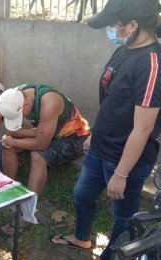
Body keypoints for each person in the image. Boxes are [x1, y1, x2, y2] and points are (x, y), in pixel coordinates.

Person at [49, 0, 161, 259]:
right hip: (100, 146)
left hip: (125, 159)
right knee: (82, 194)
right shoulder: (126, 49)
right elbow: (111, 99)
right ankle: (82, 238)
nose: (111, 28)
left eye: (115, 23)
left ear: (134, 24)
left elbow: (143, 129)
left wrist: (121, 174)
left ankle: (114, 254)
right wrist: (94, 134)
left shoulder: (152, 65)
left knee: (123, 216)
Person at [0, 85, 90, 237]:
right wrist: (17, 137)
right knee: (7, 145)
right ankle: (10, 193)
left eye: (19, 115)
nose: (18, 119)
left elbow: (41, 145)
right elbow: (15, 132)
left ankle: (27, 214)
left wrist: (15, 139)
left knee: (37, 156)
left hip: (74, 137)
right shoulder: (15, 96)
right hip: (48, 132)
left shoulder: (49, 101)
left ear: (25, 105)